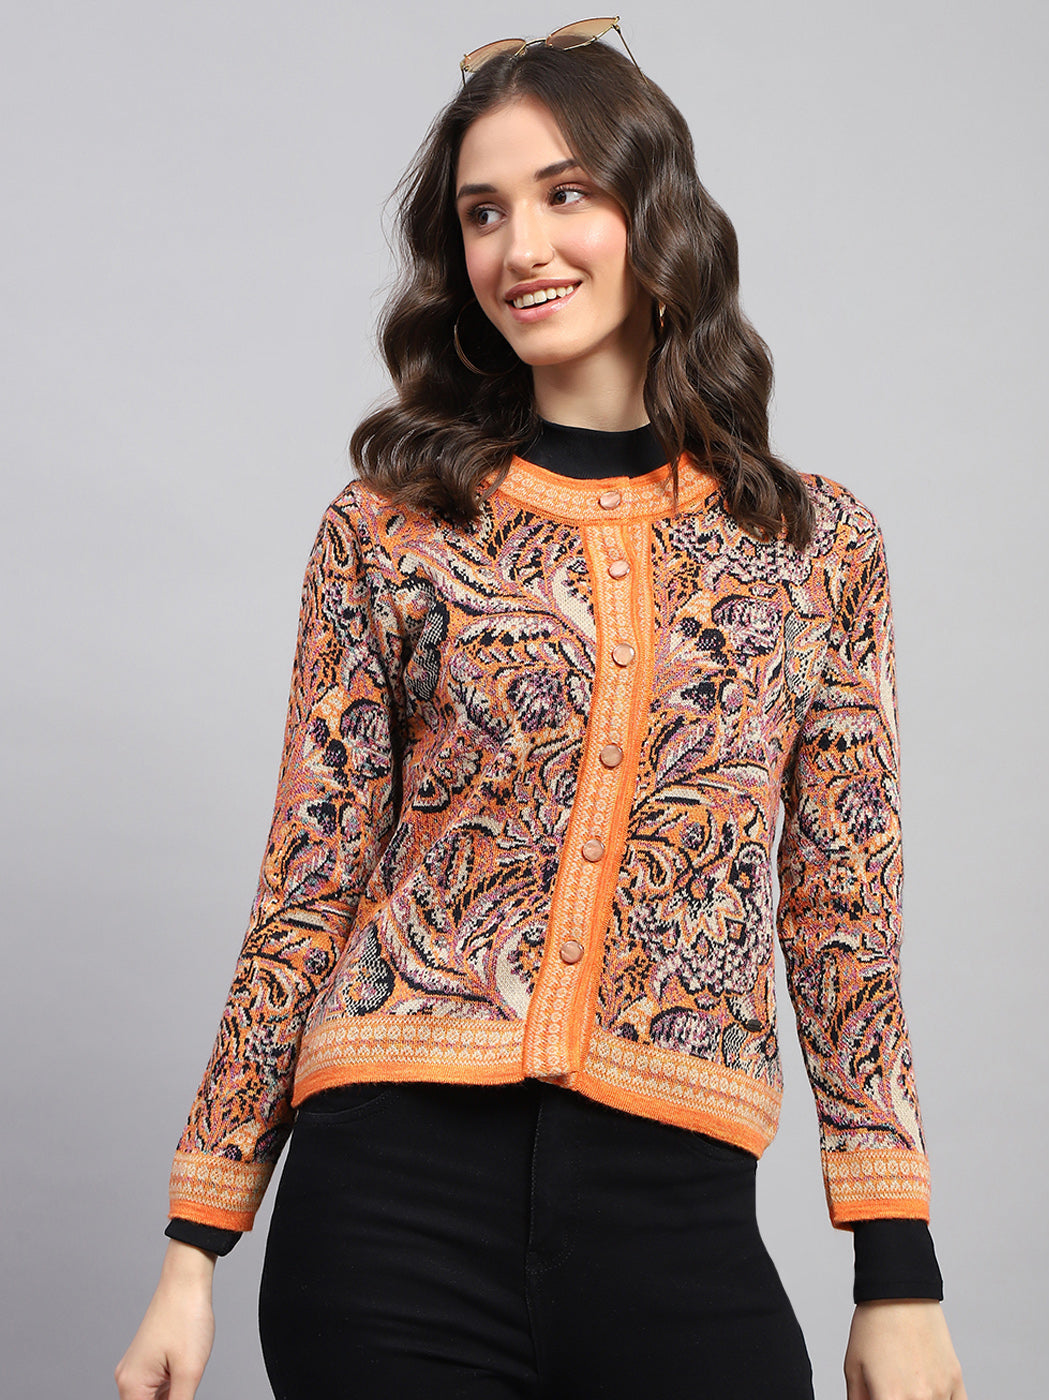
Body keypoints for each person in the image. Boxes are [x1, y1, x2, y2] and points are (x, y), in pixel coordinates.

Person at [116, 21, 967, 1400]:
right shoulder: (389, 530)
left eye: (567, 193)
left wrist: (899, 1270)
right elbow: (308, 884)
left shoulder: (815, 549)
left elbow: (844, 913)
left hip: (675, 1214)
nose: (523, 248)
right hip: (384, 1219)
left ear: (657, 213)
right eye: (484, 212)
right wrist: (192, 1248)